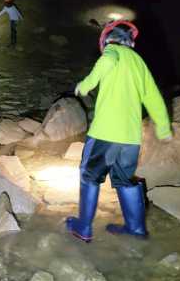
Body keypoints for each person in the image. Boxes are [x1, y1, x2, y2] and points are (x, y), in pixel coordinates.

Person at [66, 20, 173, 243]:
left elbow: (107, 60)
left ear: (107, 40)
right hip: (130, 139)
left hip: (105, 134)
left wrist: (86, 85)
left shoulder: (111, 52)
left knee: (90, 176)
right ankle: (135, 228)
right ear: (131, 43)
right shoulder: (139, 62)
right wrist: (163, 128)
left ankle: (84, 227)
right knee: (125, 179)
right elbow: (153, 97)